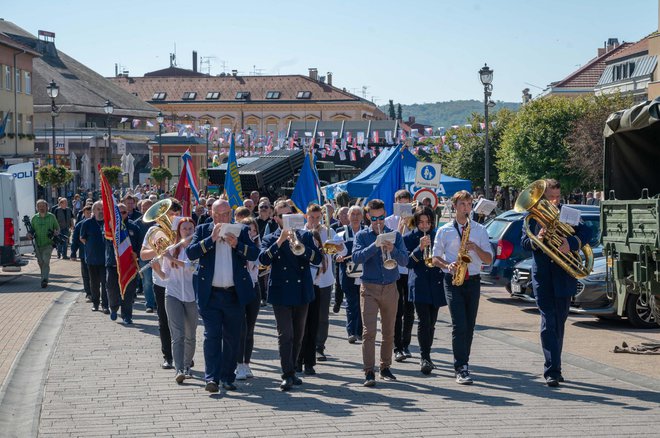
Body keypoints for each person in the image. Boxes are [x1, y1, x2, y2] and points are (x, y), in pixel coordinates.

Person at [521, 179, 591, 387]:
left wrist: (570, 244)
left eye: (557, 197)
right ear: (542, 198)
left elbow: (587, 233)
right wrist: (539, 239)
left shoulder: (568, 213)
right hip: (542, 278)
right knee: (547, 322)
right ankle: (552, 370)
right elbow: (524, 242)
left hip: (564, 276)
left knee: (558, 323)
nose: (554, 201)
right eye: (550, 197)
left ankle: (556, 366)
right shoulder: (531, 217)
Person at [186, 199, 259, 393]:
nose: (222, 218)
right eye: (218, 214)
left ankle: (228, 377)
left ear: (231, 214)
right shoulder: (202, 230)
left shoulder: (240, 230)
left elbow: (254, 254)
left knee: (232, 338)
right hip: (210, 294)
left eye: (225, 214)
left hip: (234, 294)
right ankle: (211, 378)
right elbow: (190, 253)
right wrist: (210, 240)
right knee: (212, 336)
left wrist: (237, 245)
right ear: (211, 213)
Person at [259, 200, 322, 391]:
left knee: (298, 334)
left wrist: (301, 245)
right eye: (282, 216)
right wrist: (280, 241)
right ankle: (286, 373)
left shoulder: (305, 235)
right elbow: (263, 259)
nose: (285, 219)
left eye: (289, 214)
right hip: (281, 291)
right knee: (285, 334)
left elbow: (318, 259)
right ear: (276, 218)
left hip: (302, 289)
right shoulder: (270, 238)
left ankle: (293, 370)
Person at [432, 190, 493, 385]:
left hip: (473, 280)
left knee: (470, 325)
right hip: (452, 280)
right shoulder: (445, 230)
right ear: (455, 206)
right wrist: (447, 265)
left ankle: (463, 361)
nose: (466, 208)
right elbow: (434, 258)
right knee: (459, 325)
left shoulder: (479, 230)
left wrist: (476, 248)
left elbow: (489, 259)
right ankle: (461, 366)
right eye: (462, 205)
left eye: (469, 205)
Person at [352, 199, 408, 387]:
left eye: (382, 217)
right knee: (369, 332)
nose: (379, 222)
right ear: (368, 216)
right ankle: (369, 371)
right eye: (375, 218)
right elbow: (356, 257)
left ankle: (385, 367)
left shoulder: (394, 235)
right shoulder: (361, 235)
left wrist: (393, 249)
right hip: (369, 287)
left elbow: (405, 261)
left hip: (390, 286)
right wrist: (375, 245)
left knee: (389, 331)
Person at [152, 218, 198, 384]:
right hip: (172, 295)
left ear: (194, 230)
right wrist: (157, 269)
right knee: (177, 334)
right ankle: (179, 369)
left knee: (191, 335)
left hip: (192, 297)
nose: (187, 231)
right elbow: (165, 277)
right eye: (184, 229)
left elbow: (192, 267)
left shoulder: (197, 249)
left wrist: (171, 259)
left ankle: (187, 366)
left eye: (190, 228)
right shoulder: (171, 249)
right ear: (179, 232)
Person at [403, 207, 446, 375]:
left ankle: (427, 352)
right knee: (423, 321)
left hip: (436, 282)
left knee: (432, 322)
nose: (424, 225)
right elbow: (407, 263)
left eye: (427, 222)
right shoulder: (409, 237)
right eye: (421, 222)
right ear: (416, 222)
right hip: (419, 283)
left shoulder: (438, 235)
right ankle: (425, 357)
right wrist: (419, 249)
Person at [141, 201, 179, 369]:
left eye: (172, 213)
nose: (170, 216)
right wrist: (159, 250)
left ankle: (183, 354)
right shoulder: (153, 231)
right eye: (168, 213)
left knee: (181, 321)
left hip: (180, 279)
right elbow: (143, 255)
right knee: (164, 320)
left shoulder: (183, 227)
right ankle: (168, 356)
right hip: (161, 281)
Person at [385, 189, 415, 362]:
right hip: (395, 270)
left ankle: (406, 344)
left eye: (405, 201)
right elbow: (390, 243)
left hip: (409, 270)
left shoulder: (415, 220)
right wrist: (400, 227)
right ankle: (397, 346)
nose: (402, 204)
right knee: (397, 310)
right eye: (399, 201)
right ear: (395, 202)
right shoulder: (389, 220)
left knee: (410, 309)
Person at [235, 217, 261, 381]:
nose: (250, 233)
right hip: (238, 289)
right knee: (241, 329)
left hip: (254, 287)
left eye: (252, 230)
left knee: (250, 329)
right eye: (247, 230)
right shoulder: (236, 246)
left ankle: (246, 363)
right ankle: (238, 365)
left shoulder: (258, 246)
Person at [105, 203, 141, 324]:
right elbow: (105, 241)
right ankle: (114, 308)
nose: (121, 215)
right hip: (113, 264)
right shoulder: (109, 227)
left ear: (128, 213)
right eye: (119, 213)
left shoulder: (134, 227)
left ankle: (127, 315)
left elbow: (140, 245)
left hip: (129, 265)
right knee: (112, 288)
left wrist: (137, 253)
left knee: (129, 291)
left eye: (124, 212)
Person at [335, 206, 366, 343]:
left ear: (362, 216)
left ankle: (359, 331)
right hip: (347, 271)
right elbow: (335, 249)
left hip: (364, 272)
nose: (355, 217)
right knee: (351, 301)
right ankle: (351, 331)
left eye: (358, 214)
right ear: (348, 216)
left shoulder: (367, 231)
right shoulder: (341, 231)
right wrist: (338, 256)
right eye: (352, 214)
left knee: (362, 302)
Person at [80, 201, 109, 311]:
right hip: (92, 259)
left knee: (105, 283)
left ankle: (105, 305)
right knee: (94, 283)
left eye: (102, 209)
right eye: (98, 209)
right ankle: (95, 303)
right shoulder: (87, 223)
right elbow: (82, 238)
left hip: (106, 259)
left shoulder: (108, 222)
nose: (100, 211)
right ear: (93, 211)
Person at [28, 200, 60, 288]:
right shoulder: (34, 218)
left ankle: (44, 280)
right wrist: (29, 234)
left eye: (43, 206)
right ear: (37, 208)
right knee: (41, 262)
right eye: (39, 206)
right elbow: (31, 230)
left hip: (48, 244)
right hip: (38, 244)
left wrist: (56, 232)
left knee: (46, 260)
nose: (41, 208)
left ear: (47, 207)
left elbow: (57, 228)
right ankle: (44, 277)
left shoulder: (51, 217)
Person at [134, 199, 156, 313]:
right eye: (144, 208)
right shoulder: (136, 223)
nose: (146, 210)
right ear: (140, 209)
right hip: (144, 257)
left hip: (158, 256)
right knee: (147, 281)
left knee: (159, 279)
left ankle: (158, 302)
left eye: (148, 207)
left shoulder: (158, 222)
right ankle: (150, 304)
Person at [70, 206, 92, 300]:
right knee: (86, 275)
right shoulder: (79, 225)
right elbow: (75, 240)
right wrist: (73, 252)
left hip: (96, 254)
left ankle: (95, 292)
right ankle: (88, 293)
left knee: (95, 275)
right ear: (84, 213)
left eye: (91, 212)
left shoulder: (98, 223)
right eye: (87, 213)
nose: (89, 215)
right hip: (84, 254)